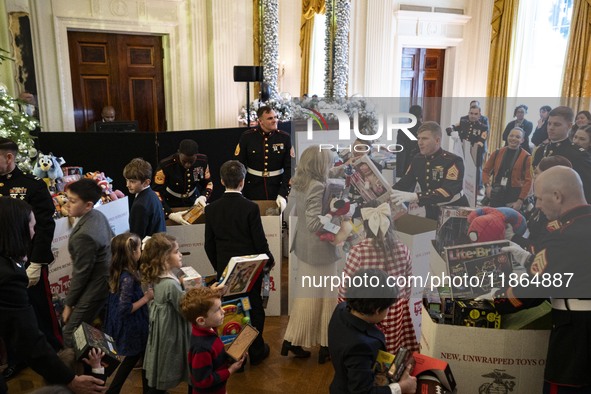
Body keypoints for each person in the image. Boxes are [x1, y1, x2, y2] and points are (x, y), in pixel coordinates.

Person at [495, 166, 591, 393]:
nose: (537, 205)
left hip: (577, 337)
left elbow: (534, 291)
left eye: (539, 198)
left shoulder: (564, 236)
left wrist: (497, 300)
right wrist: (530, 260)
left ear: (557, 196)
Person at [0, 197, 106, 393]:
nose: (34, 233)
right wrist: (69, 378)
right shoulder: (8, 277)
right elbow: (28, 339)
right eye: (31, 227)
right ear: (17, 231)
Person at [0, 137, 62, 379]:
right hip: (3, 263)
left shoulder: (32, 185)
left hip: (28, 260)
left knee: (40, 308)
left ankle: (54, 350)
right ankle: (16, 359)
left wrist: (37, 261)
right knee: (10, 316)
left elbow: (44, 227)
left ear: (9, 157)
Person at [204, 160, 274, 366]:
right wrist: (269, 261)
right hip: (249, 272)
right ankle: (256, 350)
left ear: (222, 181)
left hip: (225, 271)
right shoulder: (250, 207)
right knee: (252, 310)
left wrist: (221, 269)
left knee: (229, 312)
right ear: (243, 182)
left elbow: (209, 245)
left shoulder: (212, 209)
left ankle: (236, 356)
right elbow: (259, 242)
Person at [282, 146, 340, 364]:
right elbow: (316, 223)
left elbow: (292, 213)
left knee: (310, 296)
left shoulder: (300, 182)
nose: (331, 165)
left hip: (305, 248)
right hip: (319, 251)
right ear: (320, 164)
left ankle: (295, 340)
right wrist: (335, 217)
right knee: (326, 298)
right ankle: (323, 344)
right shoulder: (317, 185)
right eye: (328, 161)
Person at [338, 201, 418, 354]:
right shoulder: (403, 249)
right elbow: (408, 287)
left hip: (366, 312)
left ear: (366, 225)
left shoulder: (358, 252)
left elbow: (345, 289)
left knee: (367, 349)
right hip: (393, 310)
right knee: (390, 350)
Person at [329, 268, 417, 394]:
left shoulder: (341, 309)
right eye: (388, 307)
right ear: (377, 310)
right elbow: (363, 391)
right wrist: (402, 387)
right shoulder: (360, 346)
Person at [62, 178, 114, 348]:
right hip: (104, 279)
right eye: (67, 199)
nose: (67, 204)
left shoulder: (84, 235)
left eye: (73, 201)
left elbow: (81, 273)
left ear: (88, 205)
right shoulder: (97, 215)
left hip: (97, 284)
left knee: (70, 332)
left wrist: (69, 304)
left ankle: (75, 373)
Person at [141, 233, 190, 393]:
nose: (180, 254)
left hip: (162, 331)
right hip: (172, 333)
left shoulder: (160, 277)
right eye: (176, 252)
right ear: (164, 258)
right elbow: (185, 309)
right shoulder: (170, 285)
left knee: (160, 363)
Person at [104, 233, 153, 394]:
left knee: (137, 357)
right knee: (137, 357)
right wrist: (146, 298)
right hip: (133, 326)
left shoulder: (120, 271)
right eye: (139, 248)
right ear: (132, 252)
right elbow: (125, 308)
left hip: (131, 324)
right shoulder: (127, 278)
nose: (141, 251)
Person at [392, 121, 469, 220]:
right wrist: (385, 191)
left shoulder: (453, 161)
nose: (420, 142)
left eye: (424, 138)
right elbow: (404, 184)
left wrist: (416, 196)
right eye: (418, 138)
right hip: (431, 211)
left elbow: (447, 192)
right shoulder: (417, 159)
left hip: (454, 212)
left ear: (437, 140)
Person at [179, 287, 245, 394]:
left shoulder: (209, 329)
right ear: (201, 320)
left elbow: (215, 360)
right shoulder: (201, 348)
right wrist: (230, 370)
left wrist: (231, 356)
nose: (223, 311)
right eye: (218, 309)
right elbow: (203, 381)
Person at [234, 105, 292, 211]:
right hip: (253, 187)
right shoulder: (247, 137)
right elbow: (239, 165)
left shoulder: (285, 138)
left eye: (275, 117)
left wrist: (283, 193)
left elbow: (290, 168)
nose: (274, 120)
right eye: (270, 118)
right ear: (260, 121)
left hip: (276, 187)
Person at [511, 155, 572, 253]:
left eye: (536, 173)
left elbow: (541, 248)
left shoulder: (555, 211)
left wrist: (513, 237)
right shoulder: (543, 199)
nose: (533, 177)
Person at [531, 106, 591, 203]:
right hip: (540, 205)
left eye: (557, 124)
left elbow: (587, 188)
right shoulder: (540, 151)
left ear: (569, 126)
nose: (551, 128)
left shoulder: (578, 154)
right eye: (549, 123)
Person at [153, 139, 212, 224]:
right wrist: (169, 214)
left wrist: (203, 197)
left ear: (196, 156)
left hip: (194, 200)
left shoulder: (202, 161)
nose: (187, 165)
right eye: (184, 161)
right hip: (171, 202)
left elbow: (208, 183)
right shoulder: (166, 165)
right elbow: (156, 191)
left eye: (191, 162)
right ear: (179, 153)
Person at [482, 127, 532, 210]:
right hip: (496, 193)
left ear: (522, 140)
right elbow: (485, 171)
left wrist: (520, 201)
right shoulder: (497, 153)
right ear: (507, 137)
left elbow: (529, 181)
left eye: (517, 137)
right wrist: (487, 186)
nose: (513, 139)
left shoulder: (527, 157)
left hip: (514, 196)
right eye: (511, 136)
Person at [123, 158, 166, 238]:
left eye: (132, 181)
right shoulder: (152, 195)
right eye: (127, 180)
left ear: (146, 182)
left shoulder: (140, 205)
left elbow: (137, 237)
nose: (127, 185)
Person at [452, 104, 489, 192]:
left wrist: (473, 148)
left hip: (475, 154)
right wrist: (451, 132)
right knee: (460, 170)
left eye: (475, 114)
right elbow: (452, 127)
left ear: (479, 115)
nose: (473, 116)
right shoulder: (463, 122)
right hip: (462, 152)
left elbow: (481, 141)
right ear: (468, 113)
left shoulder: (483, 127)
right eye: (471, 113)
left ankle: (475, 190)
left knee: (474, 174)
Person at [396, 105, 422, 175]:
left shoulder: (402, 130)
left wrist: (399, 173)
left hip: (407, 167)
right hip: (423, 166)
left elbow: (401, 153)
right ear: (421, 116)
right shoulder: (427, 131)